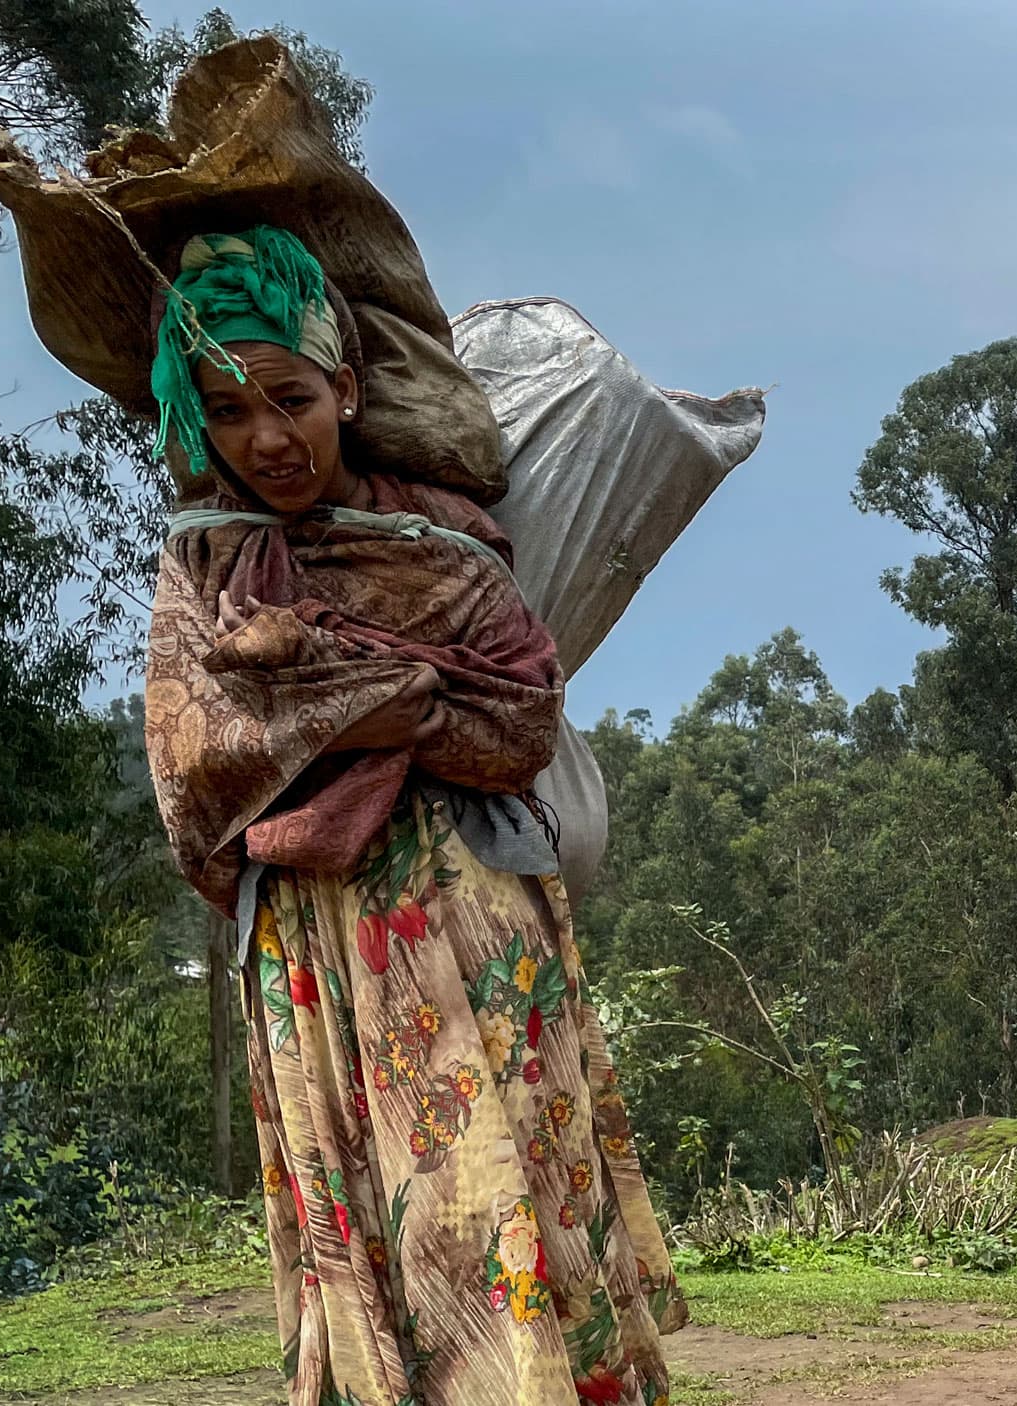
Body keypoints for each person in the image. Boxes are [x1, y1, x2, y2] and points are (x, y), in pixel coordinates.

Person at [140, 228, 681, 1405]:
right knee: (377, 1223)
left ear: (343, 385)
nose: (267, 438)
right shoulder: (204, 569)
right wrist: (385, 700)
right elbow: (194, 761)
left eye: (289, 397)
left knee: (502, 1190)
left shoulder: (445, 547)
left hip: (472, 922)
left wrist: (360, 705)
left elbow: (522, 718)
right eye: (228, 413)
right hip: (313, 955)